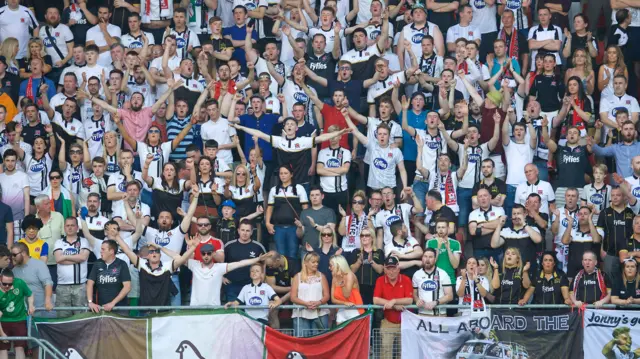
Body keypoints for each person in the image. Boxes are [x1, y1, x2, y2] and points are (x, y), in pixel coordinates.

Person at [192, 243, 268, 307]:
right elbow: (181, 260)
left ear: (213, 254)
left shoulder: (220, 267)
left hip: (213, 308)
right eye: (203, 253)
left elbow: (241, 263)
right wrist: (191, 247)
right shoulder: (194, 265)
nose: (206, 256)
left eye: (208, 253)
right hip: (195, 307)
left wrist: (258, 259)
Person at [373, 256, 413, 359]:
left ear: (398, 268)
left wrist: (394, 301)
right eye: (389, 268)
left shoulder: (406, 279)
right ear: (385, 269)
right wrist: (394, 306)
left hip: (405, 322)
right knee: (386, 351)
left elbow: (410, 300)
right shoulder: (380, 280)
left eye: (394, 268)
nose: (391, 271)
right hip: (388, 321)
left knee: (404, 352)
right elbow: (375, 300)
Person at [53, 217, 91, 318]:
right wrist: (76, 258)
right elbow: (58, 259)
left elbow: (83, 257)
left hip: (80, 285)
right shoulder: (59, 242)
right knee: (63, 317)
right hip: (62, 286)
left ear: (77, 228)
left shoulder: (84, 241)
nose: (70, 228)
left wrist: (64, 256)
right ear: (64, 228)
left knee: (81, 317)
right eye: (67, 225)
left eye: (72, 225)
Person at [223, 220, 267, 302]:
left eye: (247, 230)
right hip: (232, 285)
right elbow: (221, 264)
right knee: (233, 312)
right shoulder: (229, 246)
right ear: (238, 231)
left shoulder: (258, 247)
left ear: (251, 232)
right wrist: (222, 277)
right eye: (242, 230)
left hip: (251, 285)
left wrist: (261, 279)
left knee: (249, 312)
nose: (245, 233)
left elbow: (263, 265)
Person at [290, 251, 330, 337]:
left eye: (317, 262)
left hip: (320, 313)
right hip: (301, 313)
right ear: (305, 263)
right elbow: (293, 297)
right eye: (313, 262)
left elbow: (327, 296)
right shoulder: (297, 277)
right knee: (301, 341)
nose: (316, 264)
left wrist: (319, 302)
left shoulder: (322, 276)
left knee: (320, 341)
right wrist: (305, 304)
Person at [86, 239, 131, 312]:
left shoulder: (122, 264)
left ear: (111, 251)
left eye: (103, 249)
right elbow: (89, 283)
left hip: (120, 308)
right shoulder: (97, 263)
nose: (101, 251)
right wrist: (90, 302)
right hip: (100, 308)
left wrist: (112, 303)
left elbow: (127, 287)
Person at [11, 242, 54, 316]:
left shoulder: (39, 264)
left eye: (14, 255)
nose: (12, 257)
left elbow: (47, 283)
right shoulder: (14, 270)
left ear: (24, 253)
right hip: (26, 313)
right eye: (11, 255)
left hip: (43, 310)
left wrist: (48, 301)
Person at [0, 269, 34, 359]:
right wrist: (2, 333)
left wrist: (31, 305)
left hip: (19, 320)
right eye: (4, 284)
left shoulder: (20, 283)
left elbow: (30, 294)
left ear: (13, 280)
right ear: (0, 279)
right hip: (3, 321)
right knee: (2, 349)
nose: (7, 286)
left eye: (10, 284)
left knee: (20, 347)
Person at [412, 248, 453, 316]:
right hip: (422, 314)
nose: (427, 259)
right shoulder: (416, 274)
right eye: (425, 256)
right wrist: (417, 300)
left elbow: (450, 296)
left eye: (430, 257)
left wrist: (435, 302)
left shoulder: (443, 274)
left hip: (440, 314)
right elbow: (414, 294)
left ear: (435, 259)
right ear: (422, 258)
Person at [329, 254, 364, 324]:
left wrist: (341, 283)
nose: (329, 268)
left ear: (337, 265)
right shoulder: (334, 278)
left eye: (331, 265)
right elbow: (333, 299)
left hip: (354, 310)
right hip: (341, 310)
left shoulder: (350, 275)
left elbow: (346, 295)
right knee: (341, 334)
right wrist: (344, 303)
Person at [425, 218, 461, 282]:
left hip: (450, 279)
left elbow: (455, 265)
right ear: (436, 229)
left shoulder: (455, 243)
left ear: (448, 228)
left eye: (443, 227)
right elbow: (429, 264)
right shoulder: (430, 243)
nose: (441, 230)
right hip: (434, 279)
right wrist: (438, 248)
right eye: (438, 227)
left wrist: (448, 249)